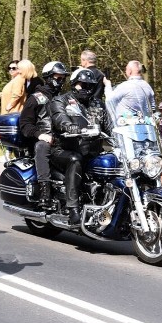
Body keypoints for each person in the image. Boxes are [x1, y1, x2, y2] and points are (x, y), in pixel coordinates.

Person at [49, 67, 110, 225]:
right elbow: (59, 117)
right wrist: (69, 126)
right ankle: (73, 209)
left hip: (92, 151)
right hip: (64, 149)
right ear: (74, 84)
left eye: (90, 86)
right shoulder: (61, 100)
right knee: (75, 160)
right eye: (82, 85)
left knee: (113, 162)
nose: (86, 89)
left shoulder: (98, 104)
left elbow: (110, 125)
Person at [18, 61, 68, 206]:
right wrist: (40, 134)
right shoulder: (35, 98)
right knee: (42, 147)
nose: (60, 81)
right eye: (57, 78)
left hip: (63, 139)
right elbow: (25, 124)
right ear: (48, 77)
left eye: (63, 79)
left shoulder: (65, 99)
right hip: (44, 138)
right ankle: (45, 191)